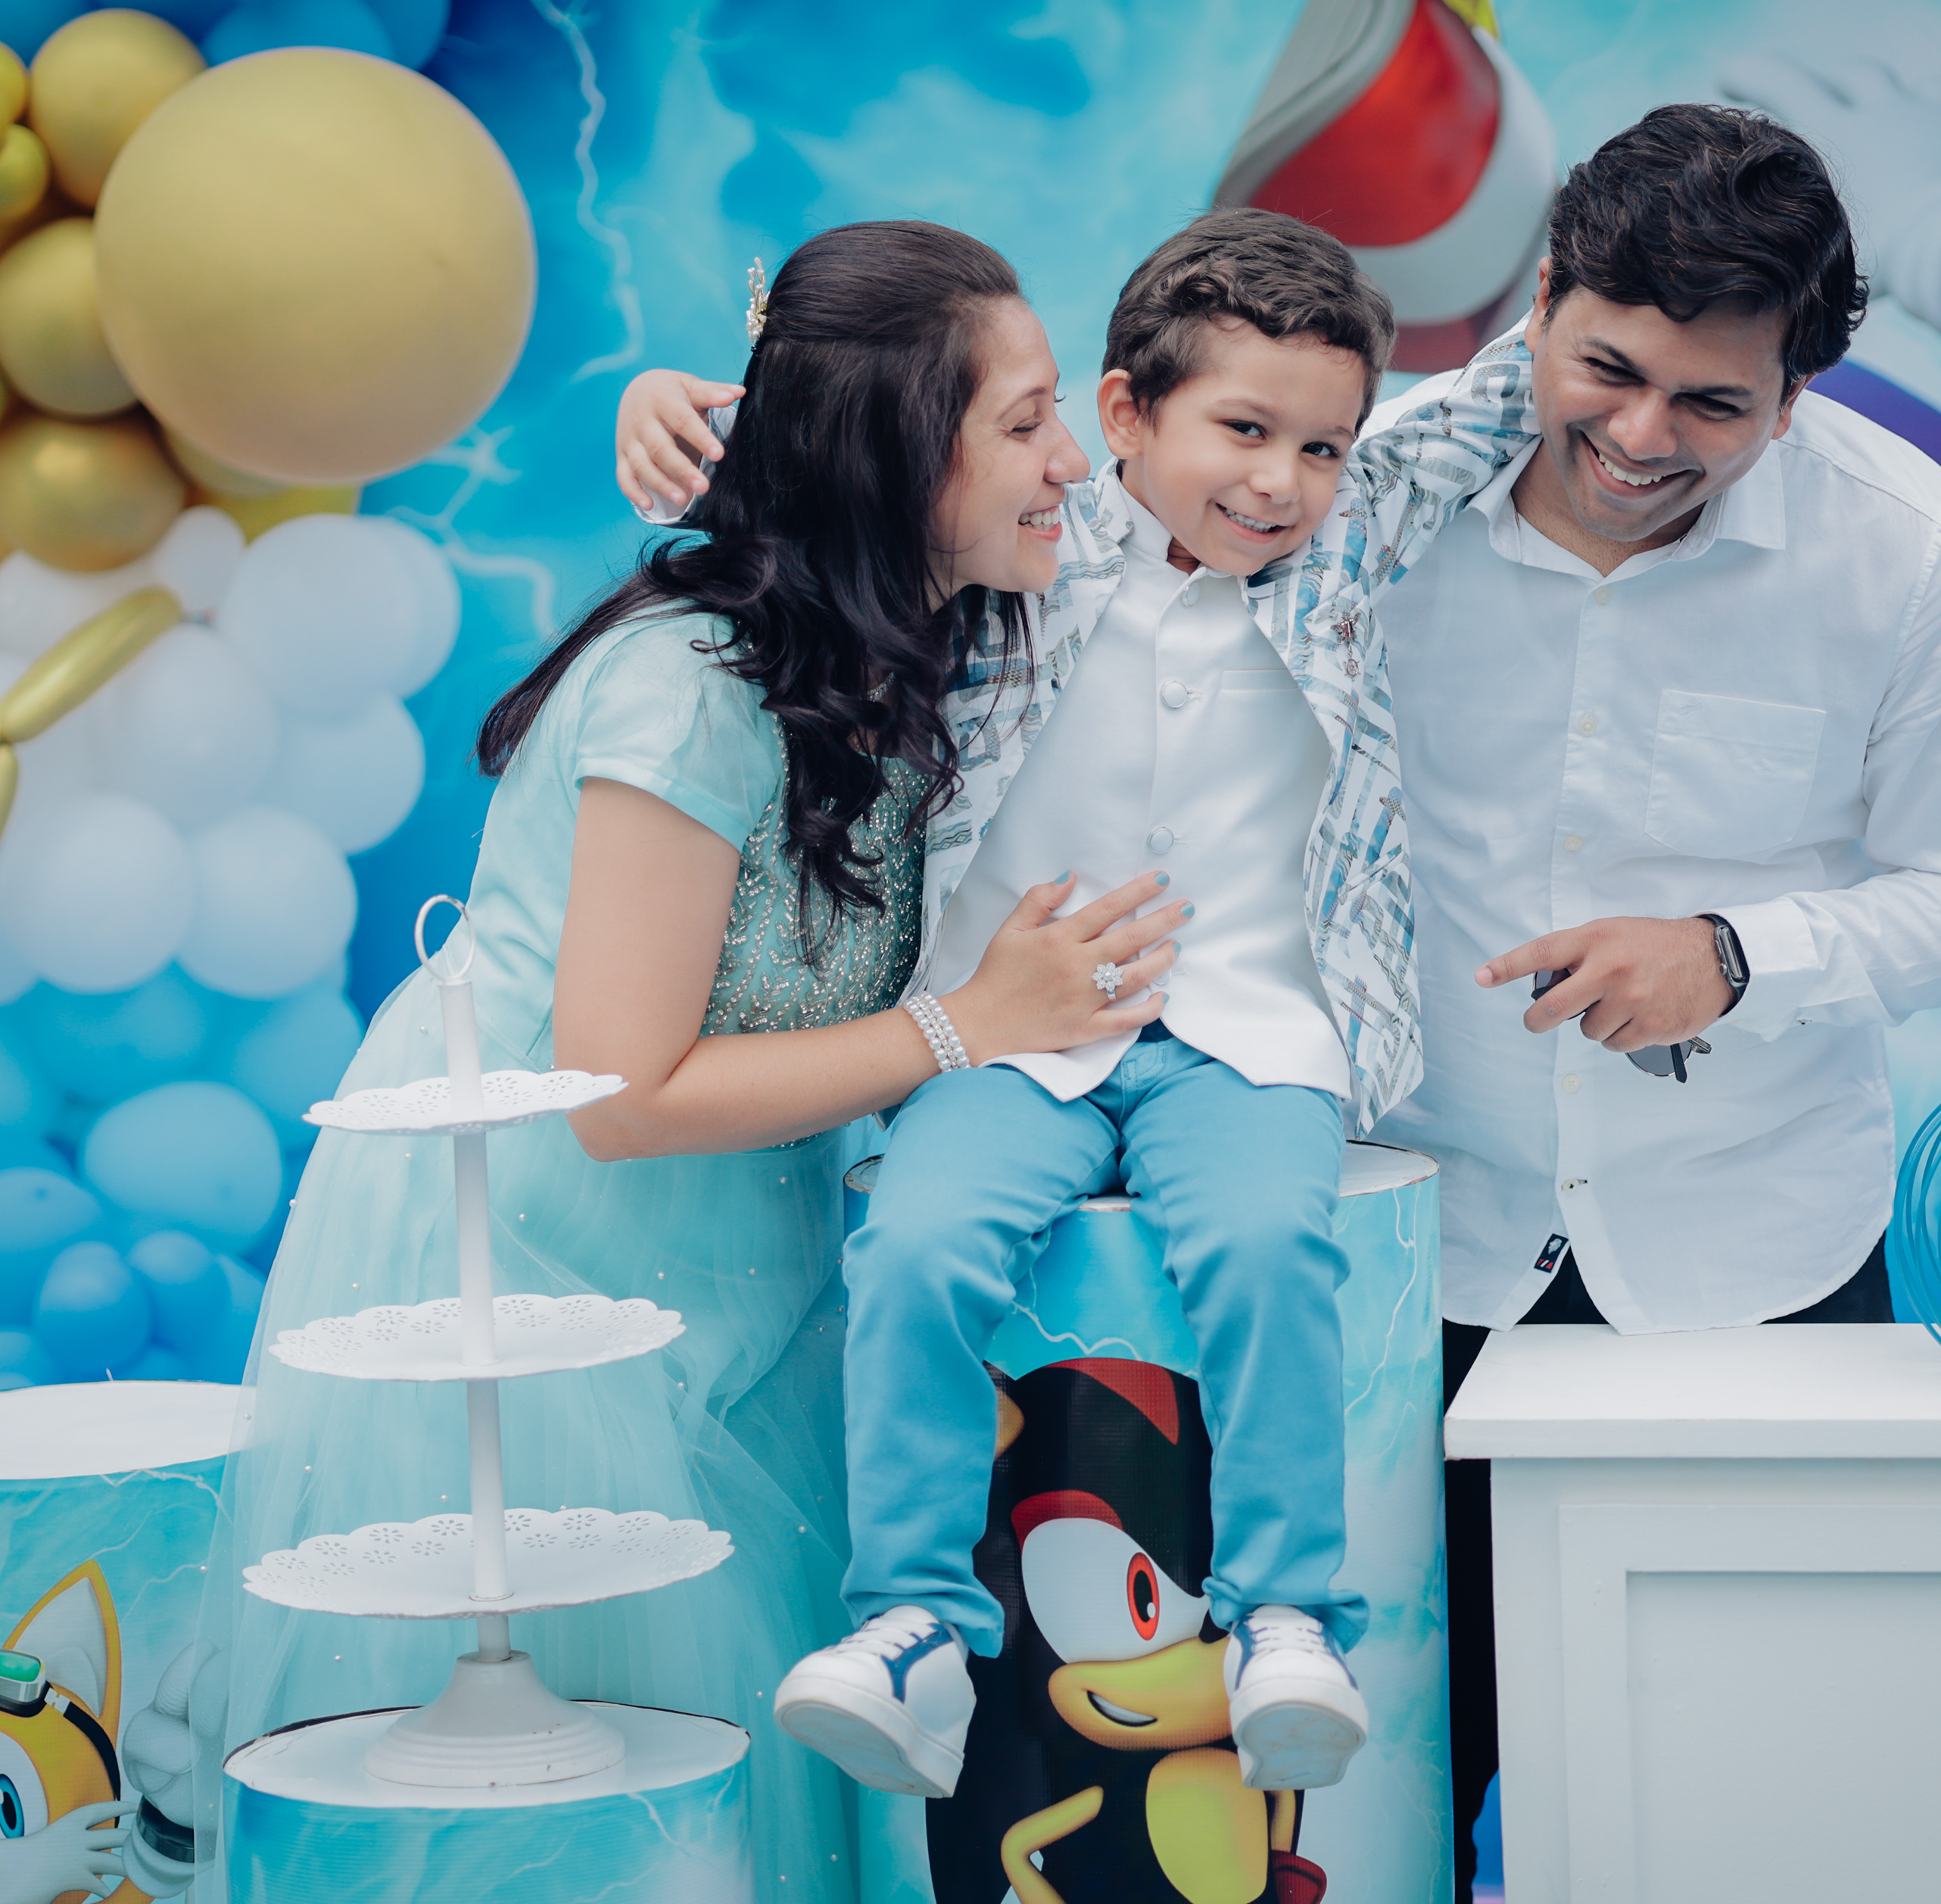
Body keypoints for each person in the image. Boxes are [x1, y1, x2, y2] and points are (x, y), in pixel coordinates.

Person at [201, 222, 1190, 1902]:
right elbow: (619, 1096)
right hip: (541, 1286)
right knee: (617, 1810)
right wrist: (972, 1023)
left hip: (755, 1274)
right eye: (1026, 424)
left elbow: (1242, 455)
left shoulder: (935, 629)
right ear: (891, 456)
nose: (1072, 464)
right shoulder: (687, 693)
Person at [618, 207, 1537, 1806]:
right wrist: (665, 400)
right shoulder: (1028, 536)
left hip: (1247, 1030)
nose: (1281, 480)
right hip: (1015, 1032)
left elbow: (1508, 393)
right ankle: (914, 1622)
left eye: (1321, 446)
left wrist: (1579, 276)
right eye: (1241, 430)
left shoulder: (1345, 546)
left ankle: (1285, 1621)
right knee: (915, 1244)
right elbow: (835, 467)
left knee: (1267, 1248)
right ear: (1123, 414)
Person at [1369, 104, 1941, 1896]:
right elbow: (1094, 553)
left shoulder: (1910, 550)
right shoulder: (1359, 493)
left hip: (1762, 1257)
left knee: (1766, 1802)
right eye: (1606, 369)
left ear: (1797, 392)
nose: (1640, 438)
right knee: (1372, 1796)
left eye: (1714, 405)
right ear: (1540, 299)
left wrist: (1739, 955)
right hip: (1411, 1253)